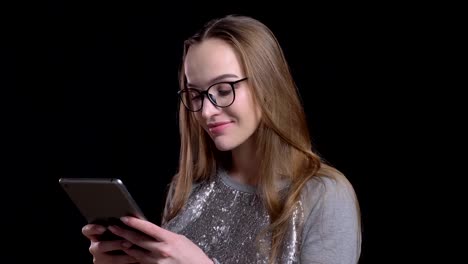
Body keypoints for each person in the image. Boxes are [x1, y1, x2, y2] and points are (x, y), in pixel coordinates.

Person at [81, 14, 362, 264]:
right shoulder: (186, 189)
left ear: (267, 85)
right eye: (196, 94)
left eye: (224, 89)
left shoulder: (324, 196)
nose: (206, 111)